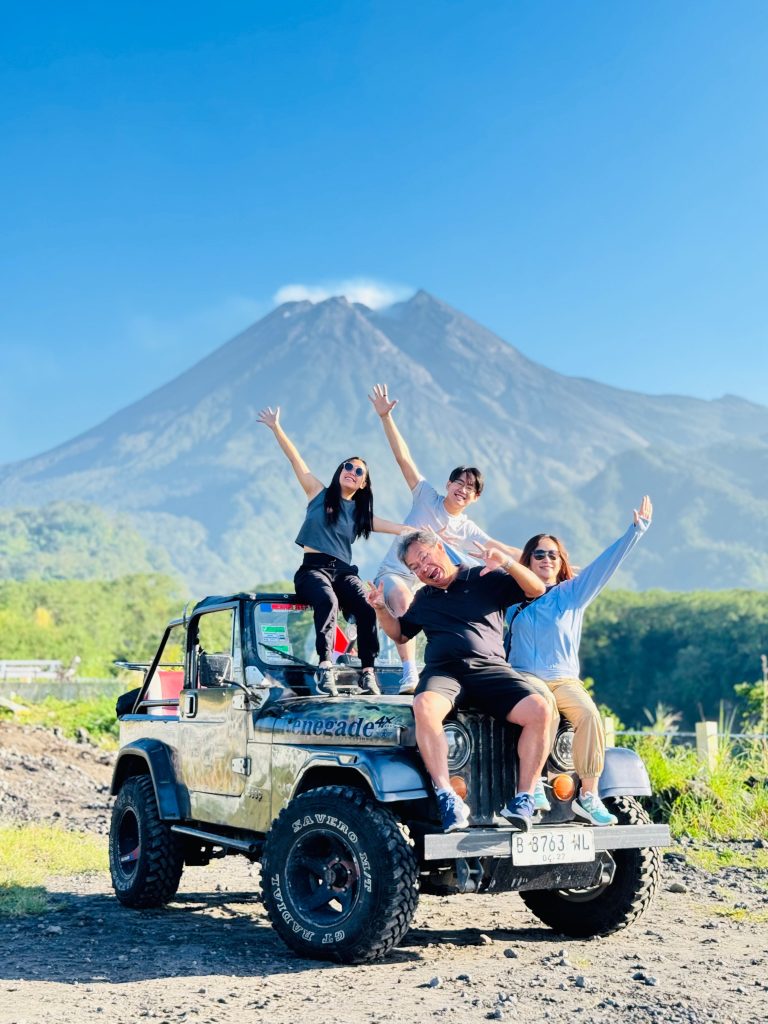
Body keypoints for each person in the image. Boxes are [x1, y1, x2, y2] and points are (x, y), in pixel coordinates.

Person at [367, 528, 558, 833]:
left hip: (489, 669)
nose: (423, 569)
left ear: (440, 549)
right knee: (424, 705)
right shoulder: (424, 598)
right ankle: (447, 796)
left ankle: (523, 798)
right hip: (445, 672)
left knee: (540, 710)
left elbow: (536, 589)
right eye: (415, 567)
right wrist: (380, 608)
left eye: (424, 558)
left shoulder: (484, 577)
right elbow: (401, 633)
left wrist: (507, 562)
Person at [506, 496, 653, 826]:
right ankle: (534, 784)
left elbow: (606, 564)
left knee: (588, 714)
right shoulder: (511, 598)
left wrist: (635, 531)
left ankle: (588, 794)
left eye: (552, 554)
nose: (546, 559)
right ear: (527, 561)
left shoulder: (573, 593)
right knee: (544, 708)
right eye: (539, 554)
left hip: (564, 678)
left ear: (561, 562)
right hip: (526, 676)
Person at [369, 383, 522, 695]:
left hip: (430, 585)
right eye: (458, 482)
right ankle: (409, 673)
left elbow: (503, 550)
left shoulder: (467, 529)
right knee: (402, 598)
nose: (462, 489)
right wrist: (386, 417)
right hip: (396, 574)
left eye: (470, 488)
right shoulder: (426, 497)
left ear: (475, 498)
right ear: (448, 484)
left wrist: (553, 562)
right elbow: (404, 459)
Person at [258, 406, 406, 693]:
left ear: (363, 483)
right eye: (348, 466)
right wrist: (276, 427)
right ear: (340, 471)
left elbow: (399, 528)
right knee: (327, 601)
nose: (352, 472)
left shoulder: (361, 515)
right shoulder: (318, 493)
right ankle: (325, 665)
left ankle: (368, 671)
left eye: (359, 471)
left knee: (367, 605)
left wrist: (428, 532)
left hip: (344, 572)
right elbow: (296, 460)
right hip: (313, 570)